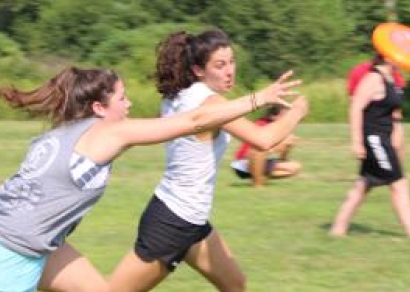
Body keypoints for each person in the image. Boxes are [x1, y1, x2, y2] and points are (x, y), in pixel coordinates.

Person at [0, 64, 301, 292]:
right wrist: (259, 98)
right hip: (7, 251)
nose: (128, 105)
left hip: (39, 244)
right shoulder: (108, 134)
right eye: (122, 98)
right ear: (99, 107)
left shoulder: (69, 129)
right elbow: (195, 120)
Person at [108, 29, 310, 292]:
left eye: (232, 62)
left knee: (235, 284)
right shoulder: (209, 102)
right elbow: (262, 139)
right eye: (220, 65)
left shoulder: (178, 94)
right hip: (172, 222)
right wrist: (296, 112)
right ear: (198, 70)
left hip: (192, 221)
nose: (230, 71)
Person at [329, 53, 410, 240]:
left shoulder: (391, 78)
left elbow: (393, 112)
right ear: (387, 57)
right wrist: (356, 141)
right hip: (374, 139)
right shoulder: (373, 78)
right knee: (399, 183)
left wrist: (397, 134)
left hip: (384, 138)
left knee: (364, 184)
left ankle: (338, 229)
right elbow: (355, 107)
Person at [229, 105, 303, 186]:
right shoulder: (263, 125)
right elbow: (255, 150)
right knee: (284, 144)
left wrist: (287, 148)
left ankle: (259, 177)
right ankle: (257, 182)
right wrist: (282, 144)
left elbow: (282, 157)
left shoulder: (278, 128)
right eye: (285, 115)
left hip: (260, 161)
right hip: (243, 162)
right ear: (273, 116)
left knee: (295, 167)